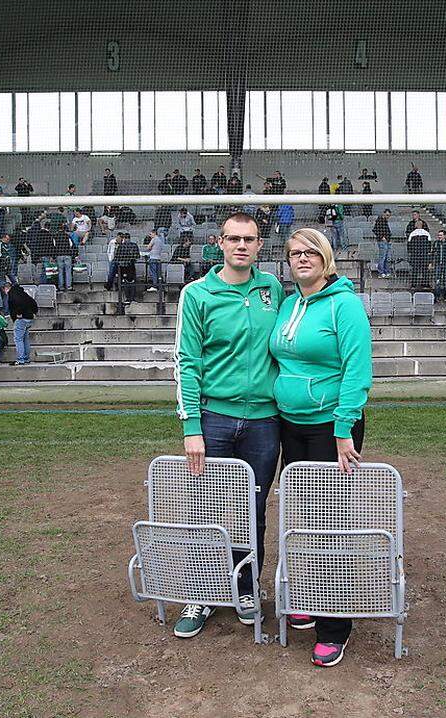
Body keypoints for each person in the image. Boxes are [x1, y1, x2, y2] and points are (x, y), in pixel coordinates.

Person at [172, 212, 285, 641]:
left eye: (250, 239)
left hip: (264, 423)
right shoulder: (197, 294)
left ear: (259, 245)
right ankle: (200, 593)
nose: (242, 245)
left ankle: (245, 588)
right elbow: (186, 362)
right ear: (220, 242)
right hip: (215, 421)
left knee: (252, 511)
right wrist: (192, 427)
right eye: (234, 239)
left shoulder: (271, 289)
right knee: (207, 511)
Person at [270, 227, 373, 668]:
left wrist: (343, 427)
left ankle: (335, 625)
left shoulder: (346, 305)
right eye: (295, 253)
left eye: (311, 251)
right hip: (290, 426)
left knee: (330, 525)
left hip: (331, 428)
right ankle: (310, 599)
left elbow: (357, 368)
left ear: (326, 257)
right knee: (303, 519)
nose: (303, 258)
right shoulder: (289, 303)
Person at [6, 281, 38, 365]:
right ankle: (26, 358)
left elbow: (18, 303)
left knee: (18, 339)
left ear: (6, 288)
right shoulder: (22, 293)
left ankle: (21, 359)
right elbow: (33, 302)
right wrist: (34, 312)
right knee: (25, 339)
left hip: (21, 319)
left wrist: (19, 313)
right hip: (29, 318)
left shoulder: (12, 294)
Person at [373, 209, 393, 279]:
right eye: (387, 215)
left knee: (387, 258)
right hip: (383, 242)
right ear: (383, 214)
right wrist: (382, 237)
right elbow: (375, 230)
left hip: (387, 241)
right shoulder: (379, 220)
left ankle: (387, 271)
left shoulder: (385, 221)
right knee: (382, 257)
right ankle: (381, 272)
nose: (388, 217)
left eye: (389, 216)